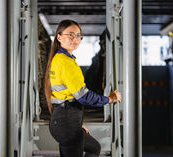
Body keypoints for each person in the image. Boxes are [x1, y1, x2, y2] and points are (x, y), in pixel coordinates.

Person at [45, 19, 121, 157]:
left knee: (94, 148)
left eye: (79, 35)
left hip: (65, 121)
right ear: (59, 37)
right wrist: (109, 99)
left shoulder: (60, 59)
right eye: (71, 35)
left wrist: (77, 123)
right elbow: (83, 96)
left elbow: (67, 96)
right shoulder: (65, 62)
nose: (76, 39)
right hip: (66, 122)